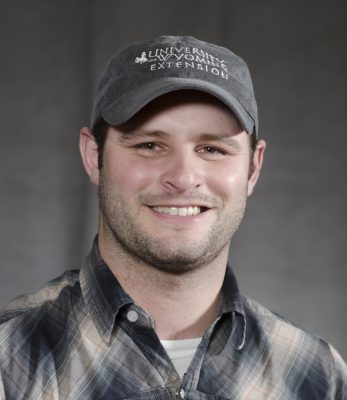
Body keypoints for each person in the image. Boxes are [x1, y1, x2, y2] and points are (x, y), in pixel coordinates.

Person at [0, 35, 346, 399]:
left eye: (212, 149)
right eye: (149, 145)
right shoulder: (11, 359)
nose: (182, 177)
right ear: (93, 156)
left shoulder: (316, 376)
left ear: (253, 168)